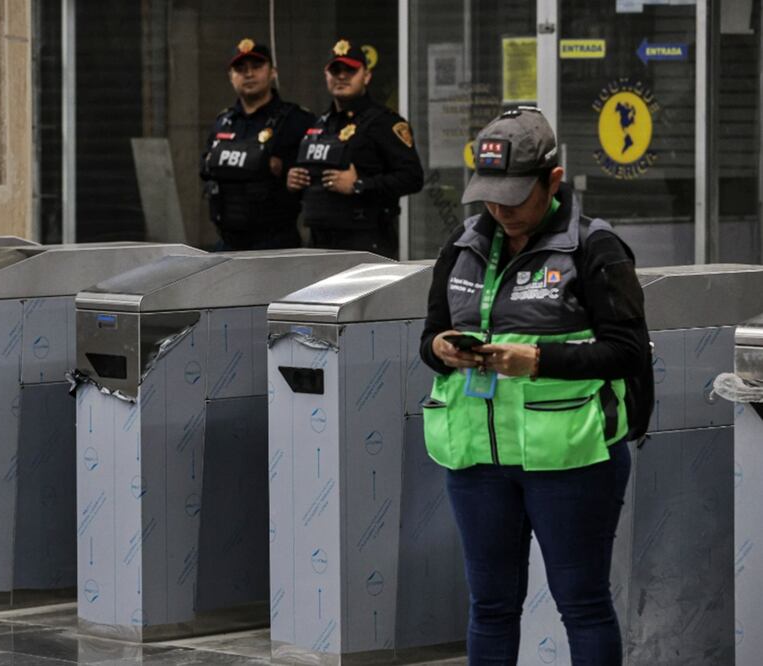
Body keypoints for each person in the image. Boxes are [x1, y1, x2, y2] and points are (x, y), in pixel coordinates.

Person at [419, 108, 651, 665]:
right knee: (491, 607)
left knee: (582, 603)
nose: (500, 210)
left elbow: (627, 352)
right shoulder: (464, 244)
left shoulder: (595, 248)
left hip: (570, 460)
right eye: (490, 197)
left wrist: (538, 361)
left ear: (553, 180)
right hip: (476, 458)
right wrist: (442, 351)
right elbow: (429, 335)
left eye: (515, 197)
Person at [285, 39, 424, 259]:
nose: (342, 76)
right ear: (326, 76)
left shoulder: (384, 122)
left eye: (350, 70)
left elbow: (412, 177)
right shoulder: (320, 124)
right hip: (319, 240)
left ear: (366, 76)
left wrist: (359, 185)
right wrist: (295, 181)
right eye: (335, 70)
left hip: (366, 240)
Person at [200, 39, 315, 250]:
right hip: (228, 241)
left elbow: (314, 176)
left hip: (276, 243)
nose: (249, 74)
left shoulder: (297, 120)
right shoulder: (224, 122)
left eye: (257, 67)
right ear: (231, 77)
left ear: (273, 72)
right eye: (240, 69)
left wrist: (284, 169)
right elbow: (204, 169)